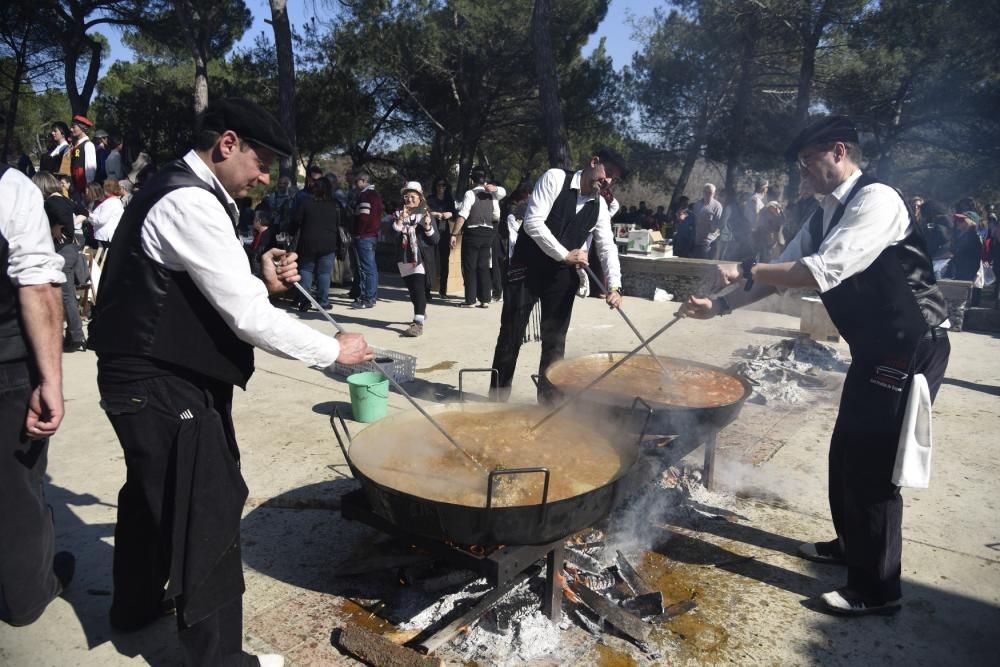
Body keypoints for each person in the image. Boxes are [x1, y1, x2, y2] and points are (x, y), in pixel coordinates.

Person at [87, 98, 374, 667]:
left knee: (155, 495)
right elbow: (244, 317)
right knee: (207, 513)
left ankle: (136, 607)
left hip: (152, 376)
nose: (264, 177)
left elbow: (198, 290)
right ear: (227, 144)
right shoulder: (188, 200)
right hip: (159, 379)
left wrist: (261, 279)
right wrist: (332, 352)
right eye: (261, 161)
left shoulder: (185, 191)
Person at [681, 116, 950, 616]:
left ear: (839, 152)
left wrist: (742, 266)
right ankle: (851, 544)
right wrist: (719, 306)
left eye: (808, 163)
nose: (802, 175)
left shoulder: (877, 200)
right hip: (874, 345)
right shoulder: (825, 213)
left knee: (872, 461)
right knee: (847, 444)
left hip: (910, 342)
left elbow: (820, 272)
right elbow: (781, 274)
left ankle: (876, 589)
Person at [490, 148, 628, 402]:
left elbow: (607, 246)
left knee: (555, 343)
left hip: (561, 277)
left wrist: (615, 286)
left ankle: (548, 402)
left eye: (614, 179)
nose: (608, 180)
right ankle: (497, 399)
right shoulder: (555, 178)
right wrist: (565, 254)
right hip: (527, 267)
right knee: (510, 336)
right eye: (607, 172)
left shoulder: (599, 207)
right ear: (594, 162)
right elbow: (532, 223)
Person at [0, 164, 75, 627]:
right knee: (16, 491)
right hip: (6, 366)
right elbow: (37, 285)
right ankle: (28, 594)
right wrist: (51, 381)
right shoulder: (11, 186)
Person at [32, 172, 88, 352]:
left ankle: (77, 336)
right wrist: (69, 227)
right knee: (67, 296)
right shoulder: (65, 199)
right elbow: (84, 212)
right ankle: (74, 335)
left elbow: (63, 218)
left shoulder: (51, 202)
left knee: (66, 297)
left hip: (63, 251)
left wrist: (59, 226)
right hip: (70, 249)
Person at [450, 167, 506, 308]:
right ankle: (485, 299)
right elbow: (496, 215)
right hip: (488, 232)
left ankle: (470, 300)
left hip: (473, 232)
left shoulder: (470, 193)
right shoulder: (492, 195)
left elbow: (463, 215)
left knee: (470, 267)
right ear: (485, 179)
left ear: (472, 180)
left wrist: (454, 233)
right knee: (483, 267)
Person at [288, 175, 343, 312]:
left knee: (306, 270)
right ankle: (323, 301)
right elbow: (342, 222)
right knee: (324, 273)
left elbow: (296, 221)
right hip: (329, 242)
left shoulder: (306, 203)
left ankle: (305, 301)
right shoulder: (335, 204)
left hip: (308, 242)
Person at [392, 182, 439, 336]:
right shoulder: (399, 214)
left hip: (420, 257)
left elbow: (435, 240)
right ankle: (421, 312)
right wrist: (399, 221)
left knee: (418, 288)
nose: (409, 200)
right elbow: (393, 236)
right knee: (412, 290)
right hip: (404, 256)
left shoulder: (426, 214)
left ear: (420, 198)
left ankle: (418, 323)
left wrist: (427, 227)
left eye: (413, 196)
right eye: (407, 196)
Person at [350, 170, 383, 309]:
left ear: (364, 181)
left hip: (364, 236)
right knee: (371, 267)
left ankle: (367, 298)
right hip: (373, 235)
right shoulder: (375, 195)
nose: (355, 184)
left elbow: (364, 216)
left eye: (357, 181)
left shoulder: (365, 195)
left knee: (365, 268)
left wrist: (358, 232)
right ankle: (371, 296)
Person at [426, 177, 457, 298]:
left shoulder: (449, 199)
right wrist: (435, 214)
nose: (441, 187)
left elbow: (455, 214)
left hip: (445, 233)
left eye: (443, 185)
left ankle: (443, 290)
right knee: (430, 261)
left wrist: (450, 214)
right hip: (432, 232)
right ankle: (427, 290)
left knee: (445, 262)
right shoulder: (430, 199)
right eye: (439, 185)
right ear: (435, 186)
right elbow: (424, 212)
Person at [68, 115, 97, 198]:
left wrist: (88, 186)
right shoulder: (77, 145)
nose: (71, 129)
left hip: (84, 188)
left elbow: (91, 168)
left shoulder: (88, 145)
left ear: (82, 128)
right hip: (76, 186)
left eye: (74, 127)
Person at [90, 179, 125, 248]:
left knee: (105, 257)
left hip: (105, 236)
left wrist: (89, 215)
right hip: (108, 236)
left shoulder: (110, 202)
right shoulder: (115, 201)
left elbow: (101, 220)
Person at [692, 183, 723, 259]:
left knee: (704, 265)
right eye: (705, 192)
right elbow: (693, 220)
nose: (707, 194)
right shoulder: (697, 204)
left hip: (708, 242)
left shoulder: (717, 206)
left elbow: (717, 226)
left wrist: (708, 224)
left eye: (710, 193)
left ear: (714, 194)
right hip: (696, 240)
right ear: (703, 192)